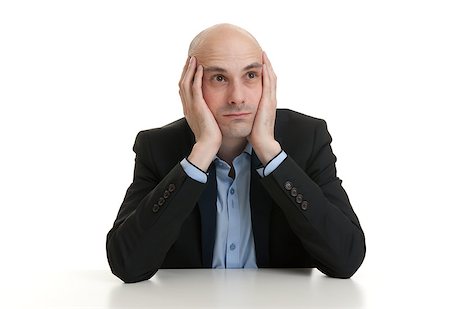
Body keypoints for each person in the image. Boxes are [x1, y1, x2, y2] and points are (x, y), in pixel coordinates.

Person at [106, 23, 366, 283]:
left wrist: (270, 153)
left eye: (251, 75)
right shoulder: (158, 147)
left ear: (268, 81)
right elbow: (127, 264)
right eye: (219, 78)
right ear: (190, 86)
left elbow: (346, 259)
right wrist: (202, 151)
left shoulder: (307, 138)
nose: (237, 97)